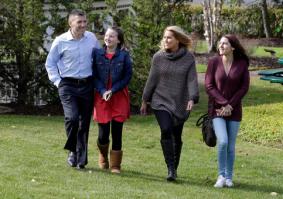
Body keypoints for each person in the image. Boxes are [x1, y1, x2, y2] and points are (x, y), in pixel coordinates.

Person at [140, 26, 199, 181]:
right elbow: (151, 80)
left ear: (178, 40)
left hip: (180, 101)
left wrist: (192, 98)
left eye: (169, 38)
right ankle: (170, 168)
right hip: (160, 101)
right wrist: (145, 100)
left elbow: (192, 79)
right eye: (164, 37)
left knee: (176, 135)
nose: (165, 40)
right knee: (166, 129)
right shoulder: (158, 57)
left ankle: (175, 167)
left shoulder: (188, 58)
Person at [45, 9, 100, 170]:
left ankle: (81, 158)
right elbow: (50, 63)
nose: (83, 25)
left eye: (84, 22)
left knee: (84, 123)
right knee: (73, 118)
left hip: (87, 84)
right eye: (79, 22)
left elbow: (98, 58)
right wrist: (57, 82)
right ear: (70, 23)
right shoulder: (60, 41)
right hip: (67, 85)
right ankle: (73, 151)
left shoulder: (91, 38)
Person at [204, 34, 250, 188]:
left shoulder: (242, 64)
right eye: (220, 43)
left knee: (231, 146)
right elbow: (209, 86)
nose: (221, 46)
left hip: (234, 110)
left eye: (225, 43)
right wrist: (224, 104)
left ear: (233, 47)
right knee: (222, 141)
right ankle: (221, 175)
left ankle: (229, 177)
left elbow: (244, 87)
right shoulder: (213, 62)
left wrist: (231, 105)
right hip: (217, 110)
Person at [92, 27, 132, 174]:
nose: (108, 38)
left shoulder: (124, 56)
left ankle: (115, 165)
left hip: (118, 96)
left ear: (118, 40)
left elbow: (127, 77)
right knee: (103, 134)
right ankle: (103, 155)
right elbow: (94, 76)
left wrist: (112, 90)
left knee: (117, 132)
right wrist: (103, 91)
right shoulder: (97, 54)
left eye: (112, 36)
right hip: (101, 96)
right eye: (107, 35)